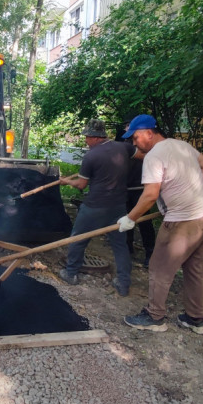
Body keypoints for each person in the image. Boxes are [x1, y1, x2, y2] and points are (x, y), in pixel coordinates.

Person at [118, 114, 203, 334]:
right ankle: (196, 319)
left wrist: (129, 218)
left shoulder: (154, 156)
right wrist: (194, 193)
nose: (134, 143)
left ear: (149, 133)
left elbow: (150, 196)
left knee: (159, 267)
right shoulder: (181, 145)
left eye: (135, 137)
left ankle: (155, 317)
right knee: (194, 267)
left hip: (183, 221)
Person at [58, 118, 137, 297]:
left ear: (95, 137)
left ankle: (70, 273)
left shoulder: (91, 156)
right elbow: (144, 156)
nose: (86, 140)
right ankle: (124, 283)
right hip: (118, 206)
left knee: (78, 239)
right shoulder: (124, 148)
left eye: (87, 137)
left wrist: (66, 182)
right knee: (120, 245)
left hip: (95, 206)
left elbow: (81, 185)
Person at [117, 122, 156, 267]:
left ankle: (150, 253)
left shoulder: (147, 146)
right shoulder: (125, 143)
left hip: (140, 188)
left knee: (144, 222)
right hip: (126, 187)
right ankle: (127, 249)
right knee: (126, 218)